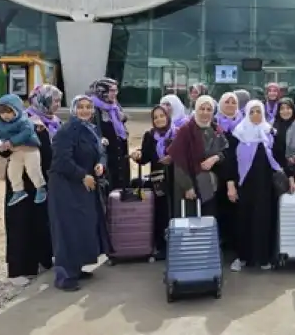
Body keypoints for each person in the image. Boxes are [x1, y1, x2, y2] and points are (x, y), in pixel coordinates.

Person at [47, 95, 110, 292]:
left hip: (82, 187)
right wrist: (82, 175)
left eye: (88, 107)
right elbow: (60, 160)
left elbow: (99, 151)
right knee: (68, 229)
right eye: (81, 107)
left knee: (82, 226)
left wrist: (100, 164)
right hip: (66, 188)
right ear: (74, 109)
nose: (85, 110)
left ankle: (77, 267)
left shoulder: (90, 128)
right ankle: (64, 275)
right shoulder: (68, 130)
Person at [226, 100, 292, 271]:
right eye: (252, 111)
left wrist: (290, 177)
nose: (256, 115)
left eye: (258, 111)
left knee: (263, 221)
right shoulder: (237, 134)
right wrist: (230, 185)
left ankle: (263, 258)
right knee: (242, 221)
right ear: (247, 113)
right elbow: (231, 163)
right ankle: (242, 258)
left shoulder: (270, 133)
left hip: (265, 187)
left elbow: (280, 159)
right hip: (244, 185)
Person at [5, 84, 60, 284]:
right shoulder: (24, 121)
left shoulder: (54, 122)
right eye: (54, 101)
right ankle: (18, 270)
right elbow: (4, 145)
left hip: (42, 180)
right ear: (42, 101)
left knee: (41, 221)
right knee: (21, 223)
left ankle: (43, 259)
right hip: (23, 182)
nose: (57, 105)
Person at [166, 95, 228, 218]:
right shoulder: (186, 130)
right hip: (190, 185)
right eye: (202, 109)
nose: (205, 112)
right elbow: (179, 161)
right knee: (190, 222)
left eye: (209, 109)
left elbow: (225, 151)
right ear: (196, 109)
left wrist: (216, 158)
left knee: (208, 222)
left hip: (210, 187)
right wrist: (188, 186)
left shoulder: (215, 129)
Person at [132, 106, 175, 260]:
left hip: (176, 180)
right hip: (158, 181)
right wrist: (137, 155)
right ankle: (161, 247)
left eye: (162, 116)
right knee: (160, 213)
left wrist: (172, 158)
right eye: (155, 117)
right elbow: (145, 158)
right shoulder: (150, 136)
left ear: (167, 116)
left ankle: (176, 246)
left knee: (175, 212)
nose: (159, 119)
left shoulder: (177, 134)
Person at [0, 94, 45, 207]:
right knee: (12, 172)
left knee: (33, 169)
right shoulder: (0, 125)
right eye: (1, 112)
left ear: (16, 110)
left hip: (29, 150)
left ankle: (40, 188)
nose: (5, 115)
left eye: (8, 111)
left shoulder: (24, 121)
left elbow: (26, 132)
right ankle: (18, 191)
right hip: (15, 153)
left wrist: (11, 142)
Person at [89, 78, 130, 191]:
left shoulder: (115, 106)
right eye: (111, 90)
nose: (114, 94)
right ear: (101, 91)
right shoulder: (92, 109)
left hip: (120, 156)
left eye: (116, 90)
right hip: (105, 158)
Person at [215, 92, 244, 251]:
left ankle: (234, 242)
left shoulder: (243, 124)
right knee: (220, 206)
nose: (231, 104)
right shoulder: (214, 124)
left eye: (234, 102)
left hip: (238, 171)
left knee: (236, 206)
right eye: (227, 102)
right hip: (218, 171)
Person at [272, 97, 295, 189]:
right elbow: (274, 152)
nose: (285, 111)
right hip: (276, 173)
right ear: (278, 111)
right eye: (282, 109)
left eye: (288, 108)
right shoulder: (272, 127)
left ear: (293, 110)